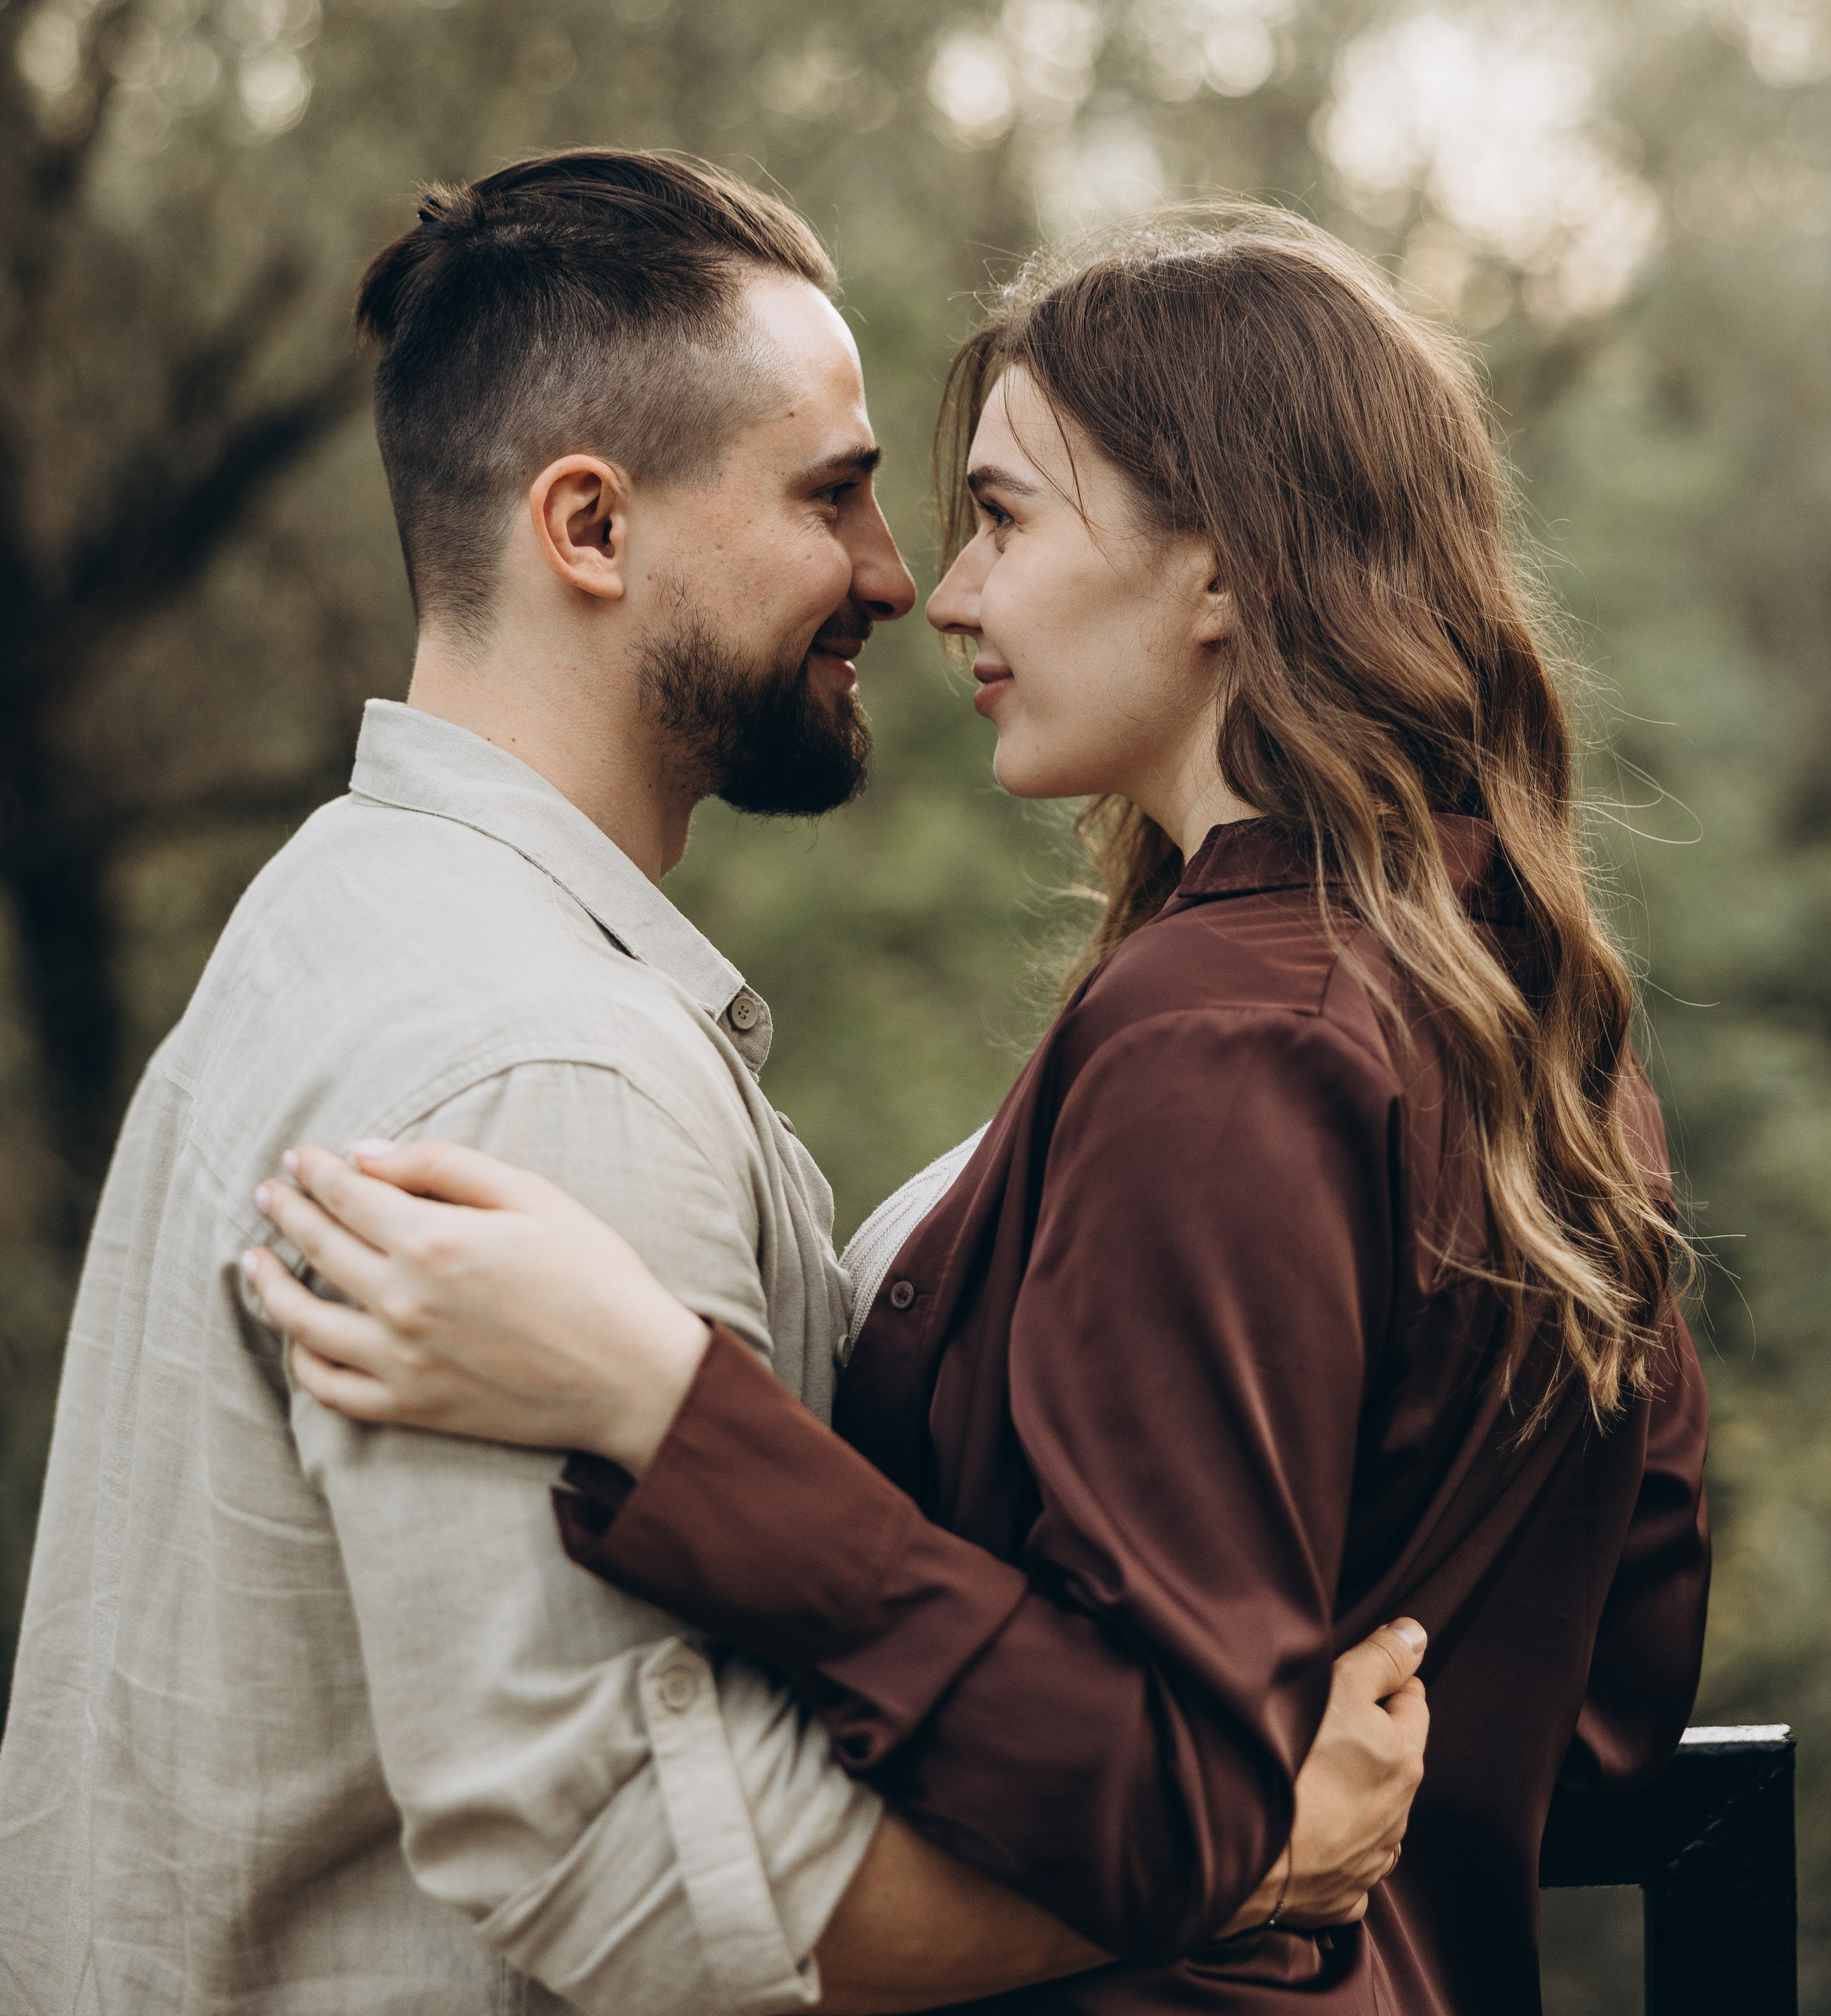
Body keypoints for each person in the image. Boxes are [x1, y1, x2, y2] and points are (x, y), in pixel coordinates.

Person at [246, 210, 1711, 2016]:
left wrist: (659, 1401)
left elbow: (1172, 1790)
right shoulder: (1530, 1015)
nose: (939, 591)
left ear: (1223, 569)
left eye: (1005, 516)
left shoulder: (1218, 1042)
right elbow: (1611, 1715)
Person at [0, 156, 1422, 2016]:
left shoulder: (337, 916)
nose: (898, 580)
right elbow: (652, 1891)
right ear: (587, 526)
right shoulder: (545, 1065)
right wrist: (1234, 1857)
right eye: (830, 497)